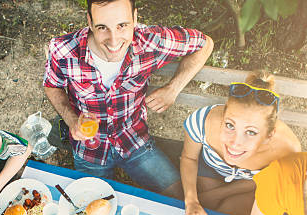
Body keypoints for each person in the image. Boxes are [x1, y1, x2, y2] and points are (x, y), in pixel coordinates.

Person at [43, 0, 213, 197]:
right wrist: (71, 120)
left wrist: (173, 89)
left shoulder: (151, 41)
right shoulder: (62, 50)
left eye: (122, 25)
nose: (114, 41)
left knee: (179, 200)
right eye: (102, 27)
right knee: (89, 207)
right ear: (89, 21)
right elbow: (52, 85)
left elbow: (205, 43)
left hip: (134, 139)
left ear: (135, 18)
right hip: (90, 148)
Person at [180, 70, 300, 215]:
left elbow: (266, 184)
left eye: (251, 132)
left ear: (268, 135)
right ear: (222, 118)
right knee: (204, 211)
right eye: (230, 125)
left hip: (251, 184)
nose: (235, 143)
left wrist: (218, 193)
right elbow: (189, 158)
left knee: (228, 213)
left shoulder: (286, 150)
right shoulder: (203, 121)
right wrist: (192, 201)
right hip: (211, 168)